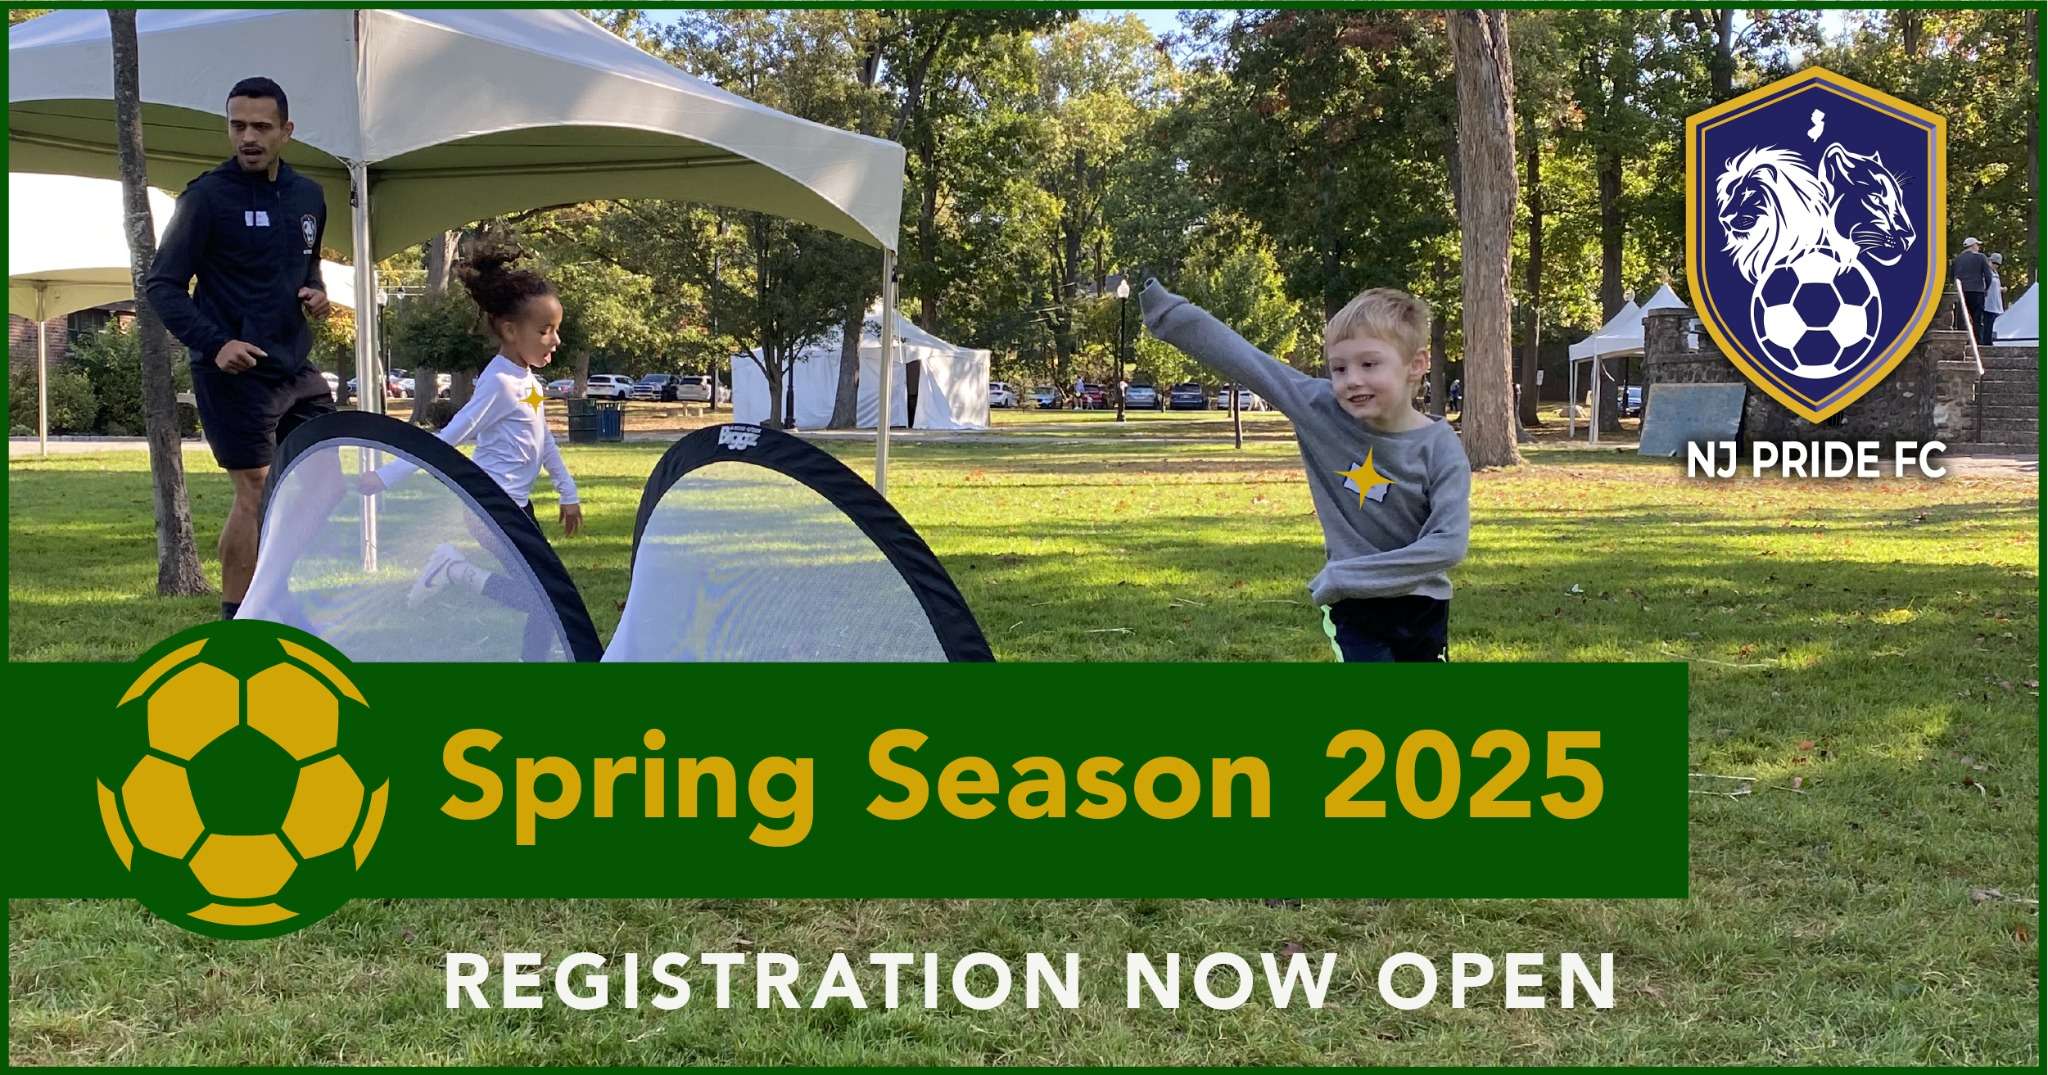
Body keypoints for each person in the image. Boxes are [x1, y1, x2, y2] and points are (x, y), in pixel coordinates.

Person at [1141, 280, 1470, 662]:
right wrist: (1168, 312)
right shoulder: (1320, 408)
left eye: (1369, 364)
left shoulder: (1442, 447)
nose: (1352, 380)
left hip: (1423, 605)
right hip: (1355, 609)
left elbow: (1448, 543)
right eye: (1339, 368)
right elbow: (1248, 362)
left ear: (1416, 364)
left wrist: (1345, 576)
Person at [142, 76, 332, 621]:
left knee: (325, 482)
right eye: (237, 125)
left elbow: (306, 263)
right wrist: (216, 343)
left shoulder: (308, 196)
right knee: (257, 487)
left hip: (295, 365)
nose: (248, 137)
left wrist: (316, 293)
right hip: (233, 371)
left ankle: (271, 587)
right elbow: (162, 286)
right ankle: (238, 618)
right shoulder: (206, 198)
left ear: (286, 131)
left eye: (261, 127)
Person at [357, 243, 583, 659]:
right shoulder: (498, 383)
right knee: (546, 593)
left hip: (517, 506)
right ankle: (456, 571)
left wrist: (568, 493)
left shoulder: (528, 380)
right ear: (510, 330)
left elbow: (543, 439)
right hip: (489, 509)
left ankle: (530, 659)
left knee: (546, 591)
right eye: (545, 329)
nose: (556, 338)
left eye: (556, 327)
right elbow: (448, 438)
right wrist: (385, 477)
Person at [1952, 236, 1992, 343]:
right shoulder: (1981, 257)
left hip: (1962, 291)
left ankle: (1962, 341)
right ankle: (1977, 341)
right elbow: (1988, 275)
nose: (1978, 247)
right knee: (1977, 318)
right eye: (1977, 245)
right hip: (1977, 291)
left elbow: (1953, 276)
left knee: (1962, 317)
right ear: (1973, 246)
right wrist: (1986, 288)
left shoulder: (1957, 259)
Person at [1984, 252, 2007, 340]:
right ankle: (1986, 340)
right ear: (1989, 261)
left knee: (1992, 323)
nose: (1995, 265)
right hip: (1988, 302)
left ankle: (1989, 339)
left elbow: (1995, 287)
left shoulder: (1995, 273)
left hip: (1995, 302)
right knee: (1988, 322)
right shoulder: (1986, 272)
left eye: (1997, 264)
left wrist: (2001, 289)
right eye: (1994, 263)